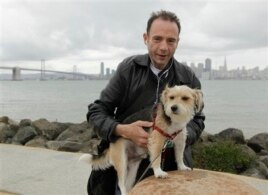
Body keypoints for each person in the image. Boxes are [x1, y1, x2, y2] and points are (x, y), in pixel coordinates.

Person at [86, 10, 205, 195]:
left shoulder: (187, 76)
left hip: (171, 168)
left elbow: (198, 119)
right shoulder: (128, 69)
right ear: (146, 38)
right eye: (157, 39)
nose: (164, 47)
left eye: (171, 40)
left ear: (178, 42)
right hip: (128, 165)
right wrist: (122, 130)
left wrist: (175, 137)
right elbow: (97, 111)